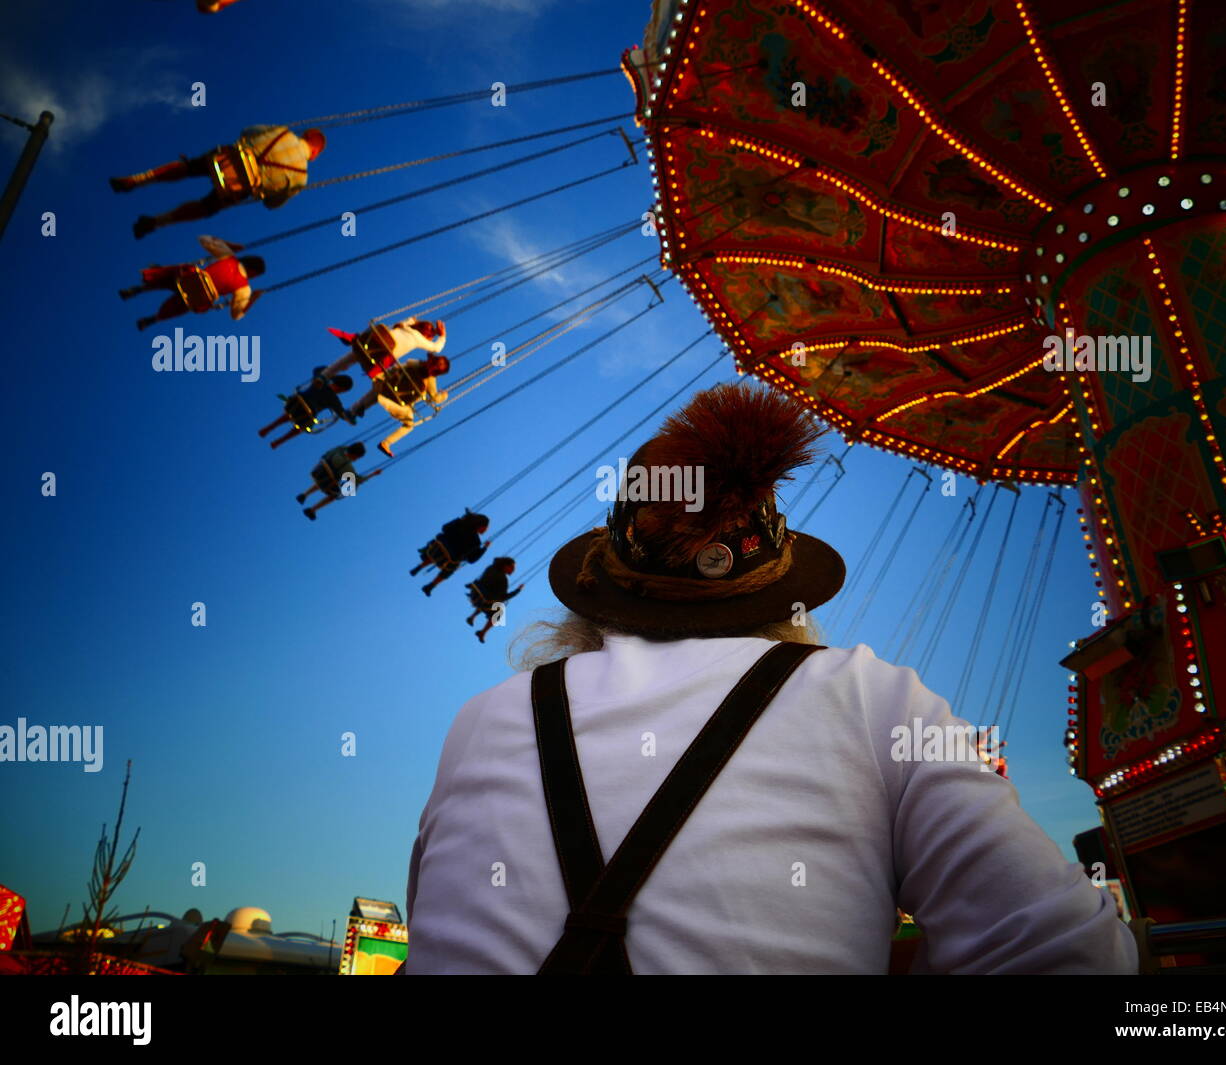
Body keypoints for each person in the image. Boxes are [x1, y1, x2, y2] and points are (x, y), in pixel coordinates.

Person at [402, 382, 1138, 974]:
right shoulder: (871, 700)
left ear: (608, 586)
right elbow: (1075, 953)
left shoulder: (486, 720)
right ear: (776, 589)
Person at [110, 124, 325, 239]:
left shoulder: (283, 132)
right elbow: (272, 204)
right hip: (237, 187)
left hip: (227, 157)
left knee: (188, 168)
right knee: (206, 208)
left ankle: (137, 179)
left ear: (304, 134)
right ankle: (157, 222)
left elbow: (247, 131)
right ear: (314, 154)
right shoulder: (301, 177)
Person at [120, 235, 263, 331]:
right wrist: (253, 300)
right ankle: (153, 319)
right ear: (253, 272)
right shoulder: (244, 288)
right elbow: (236, 314)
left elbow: (203, 239)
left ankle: (141, 287)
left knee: (173, 276)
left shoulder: (229, 257)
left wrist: (228, 245)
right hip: (199, 297)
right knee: (178, 308)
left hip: (188, 278)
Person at [351, 351, 451, 458]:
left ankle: (357, 409)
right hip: (399, 402)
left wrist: (381, 376)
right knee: (409, 425)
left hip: (387, 388)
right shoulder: (430, 379)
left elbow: (397, 368)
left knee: (380, 391)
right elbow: (435, 398)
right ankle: (386, 442)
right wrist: (444, 395)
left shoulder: (415, 363)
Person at [258, 366, 356, 449]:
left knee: (289, 415)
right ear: (342, 389)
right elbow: (342, 413)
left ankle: (269, 428)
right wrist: (352, 416)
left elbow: (318, 369)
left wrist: (335, 370)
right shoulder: (334, 399)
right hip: (307, 414)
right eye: (342, 391)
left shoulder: (321, 380)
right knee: (303, 426)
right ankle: (279, 440)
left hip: (297, 402)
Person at [323, 318, 446, 382]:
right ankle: (374, 373)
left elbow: (405, 323)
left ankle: (325, 375)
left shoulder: (402, 326)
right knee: (388, 362)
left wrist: (412, 320)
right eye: (430, 337)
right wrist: (442, 335)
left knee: (351, 357)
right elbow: (437, 348)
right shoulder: (418, 339)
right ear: (426, 336)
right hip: (381, 357)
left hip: (373, 342)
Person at [412, 511, 491, 595]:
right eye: (486, 528)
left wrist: (458, 520)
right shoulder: (476, 542)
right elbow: (472, 560)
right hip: (449, 561)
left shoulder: (460, 523)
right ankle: (430, 586)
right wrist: (484, 548)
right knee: (450, 566)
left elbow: (444, 528)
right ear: (481, 526)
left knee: (440, 550)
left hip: (437, 549)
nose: (486, 530)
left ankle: (419, 566)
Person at [297, 442, 379, 520]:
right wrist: (373, 474)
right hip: (326, 483)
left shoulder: (338, 450)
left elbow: (335, 451)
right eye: (358, 457)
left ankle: (304, 494)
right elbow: (358, 480)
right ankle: (312, 509)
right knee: (337, 492)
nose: (357, 459)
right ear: (355, 455)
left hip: (318, 472)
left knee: (326, 478)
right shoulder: (347, 467)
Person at [464, 557, 524, 643]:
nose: (513, 571)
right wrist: (518, 590)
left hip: (476, 593)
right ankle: (483, 632)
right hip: (486, 599)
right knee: (498, 611)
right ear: (505, 566)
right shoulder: (503, 579)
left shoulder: (490, 568)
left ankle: (472, 616)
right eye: (512, 568)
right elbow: (503, 597)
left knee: (487, 599)